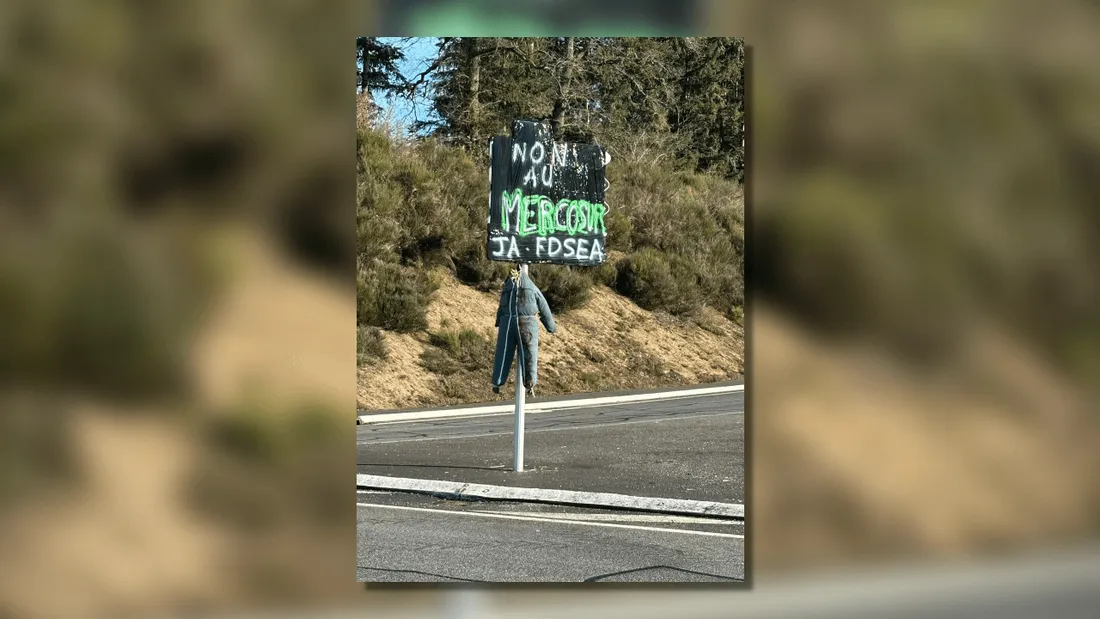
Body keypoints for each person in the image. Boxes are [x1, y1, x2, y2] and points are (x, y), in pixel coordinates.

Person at [490, 266, 556, 397]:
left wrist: (498, 321)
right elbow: (543, 306)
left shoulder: (507, 287)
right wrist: (551, 327)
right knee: (530, 354)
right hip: (528, 323)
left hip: (507, 322)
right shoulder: (532, 287)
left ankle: (497, 383)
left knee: (503, 353)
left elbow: (501, 307)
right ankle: (530, 384)